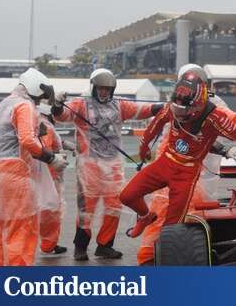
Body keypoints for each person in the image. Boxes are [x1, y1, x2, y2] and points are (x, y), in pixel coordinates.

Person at [132, 64, 236, 265]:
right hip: (172, 166)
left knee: (192, 217)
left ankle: (182, 257)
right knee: (163, 211)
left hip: (197, 172)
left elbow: (227, 119)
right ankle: (148, 258)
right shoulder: (176, 102)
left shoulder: (212, 103)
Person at [51, 68, 162, 261]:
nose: (103, 92)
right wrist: (57, 105)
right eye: (100, 88)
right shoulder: (81, 104)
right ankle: (81, 248)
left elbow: (144, 109)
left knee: (114, 207)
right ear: (94, 87)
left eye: (107, 89)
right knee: (86, 210)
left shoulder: (120, 105)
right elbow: (61, 117)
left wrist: (166, 106)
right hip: (89, 167)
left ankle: (104, 245)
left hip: (113, 168)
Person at [0, 68, 68, 266]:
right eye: (39, 99)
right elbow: (27, 141)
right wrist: (51, 159)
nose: (38, 103)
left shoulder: (4, 105)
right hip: (16, 172)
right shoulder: (24, 105)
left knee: (0, 224)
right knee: (22, 227)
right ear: (34, 90)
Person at [36, 105, 76, 255]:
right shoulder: (46, 125)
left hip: (46, 175)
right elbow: (43, 147)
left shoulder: (41, 123)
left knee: (50, 211)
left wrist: (65, 145)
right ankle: (48, 244)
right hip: (50, 176)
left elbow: (51, 142)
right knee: (51, 212)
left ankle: (50, 243)